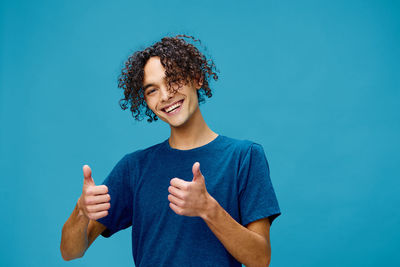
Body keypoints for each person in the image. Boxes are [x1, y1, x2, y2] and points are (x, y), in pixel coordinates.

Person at [60, 34, 281, 266]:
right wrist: (81, 211)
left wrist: (208, 209)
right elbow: (71, 251)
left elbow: (260, 259)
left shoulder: (244, 157)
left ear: (196, 78)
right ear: (145, 100)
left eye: (173, 80)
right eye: (152, 90)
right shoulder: (134, 168)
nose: (166, 96)